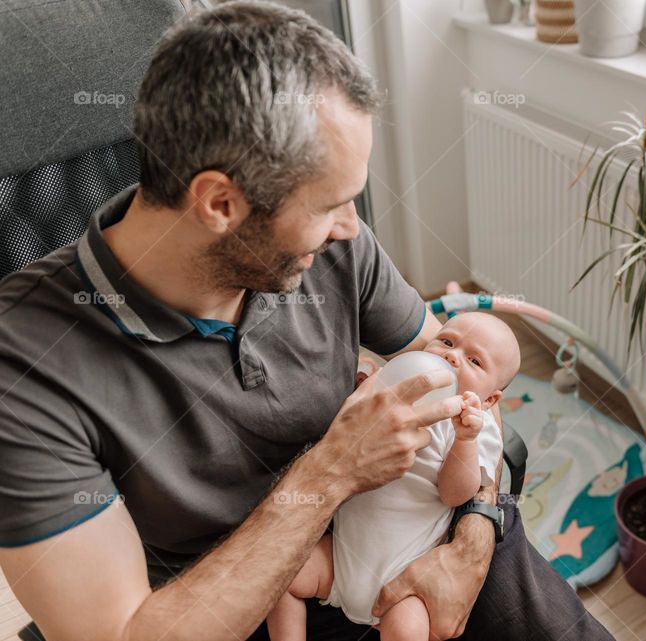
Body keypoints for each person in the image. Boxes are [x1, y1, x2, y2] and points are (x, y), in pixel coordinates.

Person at [0, 3, 615, 641]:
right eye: (330, 206)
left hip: (408, 530)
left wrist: (474, 536)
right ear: (220, 203)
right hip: (227, 603)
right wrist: (331, 472)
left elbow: (462, 377)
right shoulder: (25, 365)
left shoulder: (334, 249)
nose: (351, 227)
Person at [268, 313, 522, 641]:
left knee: (405, 630)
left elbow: (454, 495)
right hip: (339, 562)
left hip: (404, 582)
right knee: (280, 573)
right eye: (446, 342)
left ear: (490, 400)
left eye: (474, 361)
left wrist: (464, 440)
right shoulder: (393, 390)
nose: (452, 356)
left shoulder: (475, 429)